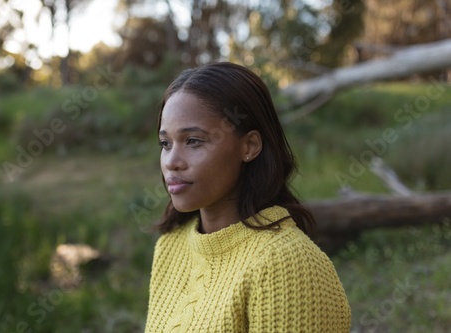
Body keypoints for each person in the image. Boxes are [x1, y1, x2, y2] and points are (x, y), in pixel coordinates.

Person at [145, 62, 351, 332]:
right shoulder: (170, 247)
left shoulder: (286, 264)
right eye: (165, 144)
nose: (172, 161)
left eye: (194, 141)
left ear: (250, 146)